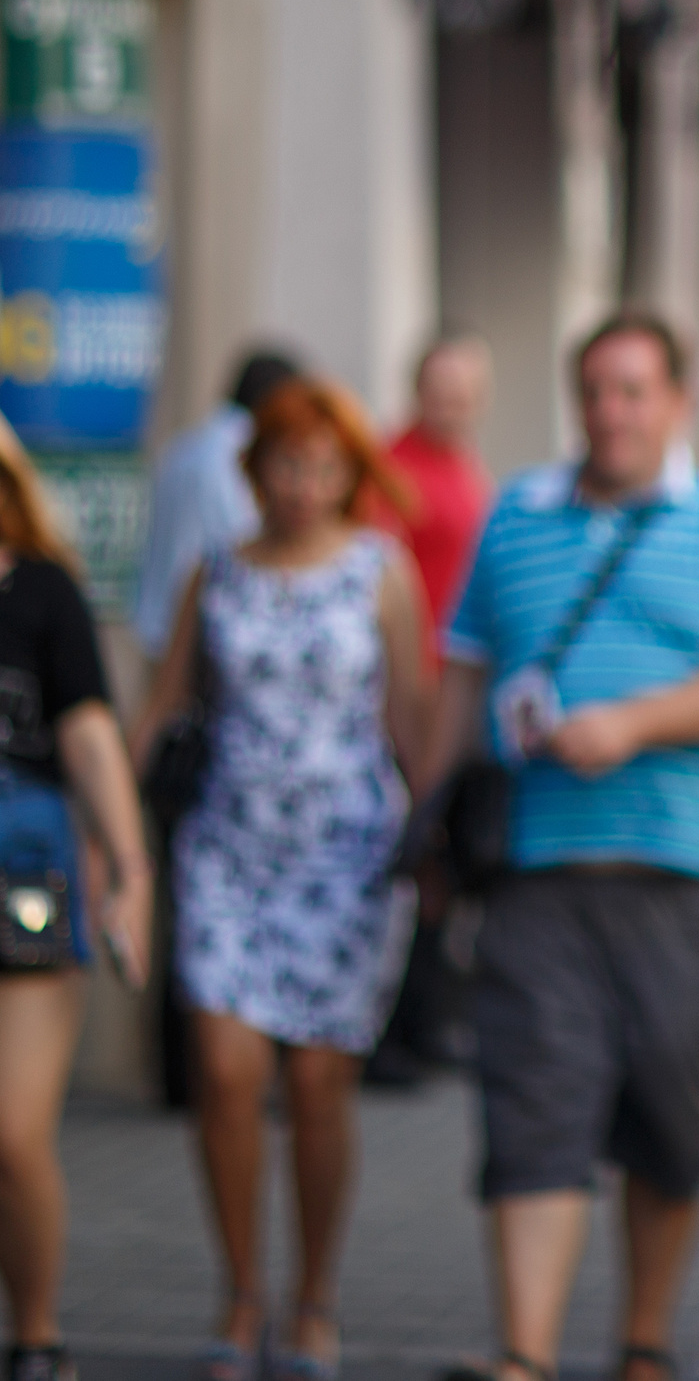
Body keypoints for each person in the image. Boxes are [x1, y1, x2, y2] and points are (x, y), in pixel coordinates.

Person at [424, 312, 699, 1381]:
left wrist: (630, 724)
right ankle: (525, 1358)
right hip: (537, 867)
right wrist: (419, 821)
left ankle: (642, 1343)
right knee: (532, 1101)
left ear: (679, 402)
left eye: (634, 390)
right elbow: (459, 680)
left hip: (689, 870)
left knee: (667, 1117)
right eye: (595, 390)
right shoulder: (515, 516)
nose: (611, 413)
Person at [129, 378, 435, 1381]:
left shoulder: (381, 572)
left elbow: (417, 722)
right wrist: (109, 838)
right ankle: (240, 1293)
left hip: (346, 856)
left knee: (315, 1085)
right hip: (228, 849)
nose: (303, 485)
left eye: (324, 467)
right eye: (285, 464)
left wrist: (437, 851)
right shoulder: (213, 574)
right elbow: (163, 703)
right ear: (252, 469)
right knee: (223, 1074)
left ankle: (313, 1298)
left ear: (351, 476)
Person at [0, 416, 154, 1381]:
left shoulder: (43, 590)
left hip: (21, 876)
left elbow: (90, 735)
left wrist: (131, 869)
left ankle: (39, 1331)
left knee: (12, 1131)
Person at [367, 333, 494, 1087]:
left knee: (443, 862)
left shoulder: (464, 466)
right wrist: (409, 707)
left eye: (466, 388)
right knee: (413, 856)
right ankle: (389, 1029)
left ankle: (426, 1016)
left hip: (454, 688)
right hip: (413, 695)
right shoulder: (392, 469)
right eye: (440, 387)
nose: (452, 402)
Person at [133, 349, 301, 663]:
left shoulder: (182, 447)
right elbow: (245, 541)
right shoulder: (242, 454)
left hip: (157, 626)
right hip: (208, 638)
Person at [383, 334, 495, 635]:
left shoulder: (462, 459)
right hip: (422, 653)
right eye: (439, 395)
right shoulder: (390, 468)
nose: (449, 408)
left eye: (460, 398)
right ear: (418, 391)